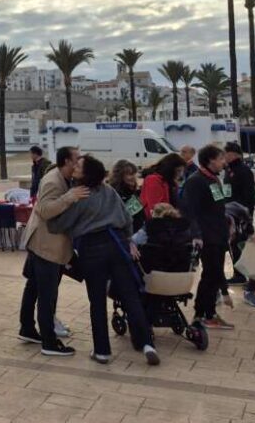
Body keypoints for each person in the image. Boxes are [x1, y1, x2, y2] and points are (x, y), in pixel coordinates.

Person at [48, 156, 160, 366]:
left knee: (97, 301)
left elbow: (59, 225)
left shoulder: (80, 195)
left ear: (87, 173)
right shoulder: (109, 191)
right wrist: (128, 241)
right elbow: (127, 219)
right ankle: (146, 344)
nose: (75, 167)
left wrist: (58, 208)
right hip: (117, 244)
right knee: (131, 296)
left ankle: (102, 351)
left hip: (92, 248)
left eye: (79, 166)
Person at [18, 146, 87, 356]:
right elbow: (44, 210)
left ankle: (27, 329)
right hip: (45, 245)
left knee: (34, 287)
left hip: (43, 242)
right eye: (77, 158)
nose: (79, 161)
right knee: (47, 293)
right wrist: (70, 197)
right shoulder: (52, 180)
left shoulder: (63, 178)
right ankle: (49, 342)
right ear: (67, 161)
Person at [182, 144, 233, 329]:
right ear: (211, 160)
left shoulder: (214, 179)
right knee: (211, 274)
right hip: (207, 237)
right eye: (220, 159)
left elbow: (219, 206)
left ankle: (205, 312)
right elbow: (189, 211)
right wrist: (196, 234)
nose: (223, 162)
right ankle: (204, 314)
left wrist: (228, 223)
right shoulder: (196, 181)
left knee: (211, 275)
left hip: (219, 234)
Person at [224, 142, 255, 286]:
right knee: (234, 244)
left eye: (226, 153)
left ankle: (250, 276)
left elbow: (248, 195)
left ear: (234, 154)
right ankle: (239, 273)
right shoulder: (229, 170)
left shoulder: (243, 170)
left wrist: (245, 214)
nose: (224, 156)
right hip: (230, 213)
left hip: (240, 215)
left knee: (241, 244)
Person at [140, 153, 183, 219]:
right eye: (178, 171)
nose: (180, 174)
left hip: (168, 219)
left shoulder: (171, 182)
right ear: (170, 169)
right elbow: (155, 206)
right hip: (157, 221)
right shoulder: (153, 180)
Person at [108, 159, 144, 234]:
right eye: (129, 174)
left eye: (134, 174)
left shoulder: (132, 192)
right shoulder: (114, 194)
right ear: (120, 175)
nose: (133, 177)